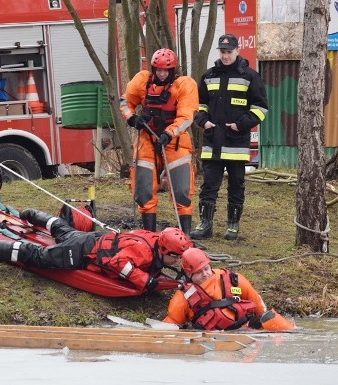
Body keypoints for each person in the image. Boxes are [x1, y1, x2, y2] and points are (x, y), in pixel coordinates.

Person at [0, 208, 193, 293]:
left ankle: (35, 215)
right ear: (165, 250)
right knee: (37, 256)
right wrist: (146, 281)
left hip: (92, 240)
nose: (177, 261)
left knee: (65, 232)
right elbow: (119, 264)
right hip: (83, 253)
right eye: (176, 257)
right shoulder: (143, 251)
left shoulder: (154, 239)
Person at [191, 34, 268, 241]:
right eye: (223, 52)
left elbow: (260, 108)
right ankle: (204, 224)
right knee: (208, 186)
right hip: (212, 142)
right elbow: (198, 106)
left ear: (237, 51)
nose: (225, 56)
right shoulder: (208, 76)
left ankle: (233, 226)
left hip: (236, 144)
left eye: (229, 52)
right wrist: (203, 121)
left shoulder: (250, 76)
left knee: (236, 185)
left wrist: (240, 125)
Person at [120, 48, 199, 234]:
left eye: (166, 71)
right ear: (153, 69)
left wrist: (168, 134)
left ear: (172, 71)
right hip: (147, 140)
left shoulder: (184, 85)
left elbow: (186, 117)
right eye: (159, 70)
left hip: (175, 142)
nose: (162, 74)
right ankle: (149, 236)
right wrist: (132, 118)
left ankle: (184, 236)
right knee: (144, 190)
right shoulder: (141, 81)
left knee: (182, 191)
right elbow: (125, 101)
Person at [163, 248, 294, 331]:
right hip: (213, 340)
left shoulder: (233, 280)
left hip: (246, 331)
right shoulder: (183, 297)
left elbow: (259, 306)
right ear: (189, 274)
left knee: (270, 318)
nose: (205, 274)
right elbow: (170, 325)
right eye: (199, 272)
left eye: (206, 268)